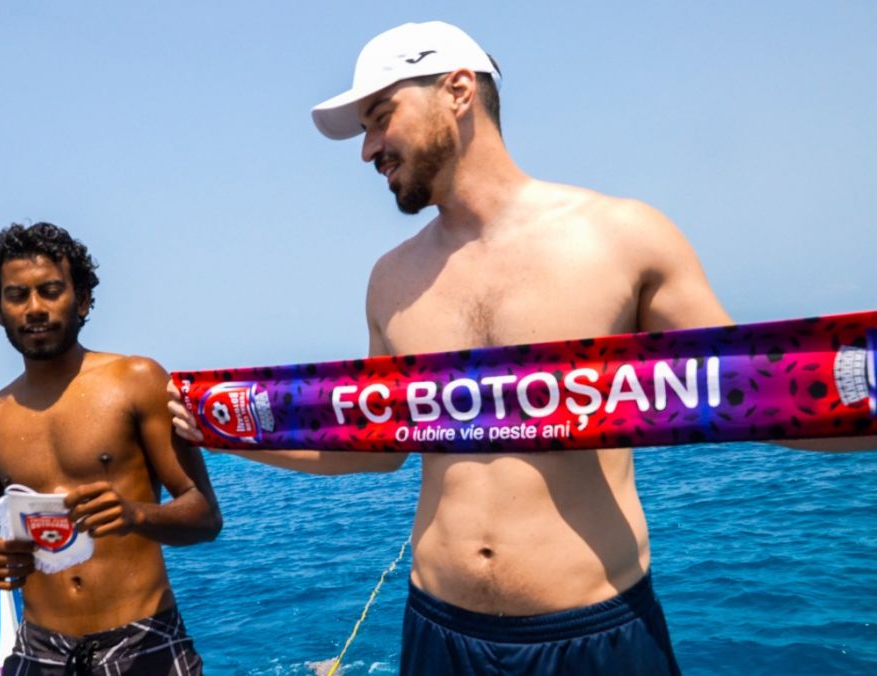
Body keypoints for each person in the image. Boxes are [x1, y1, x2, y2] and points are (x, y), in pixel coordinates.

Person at [169, 21, 875, 675]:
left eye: (381, 116)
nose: (368, 148)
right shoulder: (391, 281)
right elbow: (376, 447)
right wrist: (218, 427)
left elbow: (756, 395)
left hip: (595, 631)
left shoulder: (622, 238)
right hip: (438, 629)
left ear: (458, 91)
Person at [0, 222, 221, 676]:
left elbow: (205, 517)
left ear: (80, 299)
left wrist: (136, 515)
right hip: (39, 650)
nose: (34, 308)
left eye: (50, 291)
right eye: (17, 295)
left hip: (143, 642)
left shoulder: (137, 381)